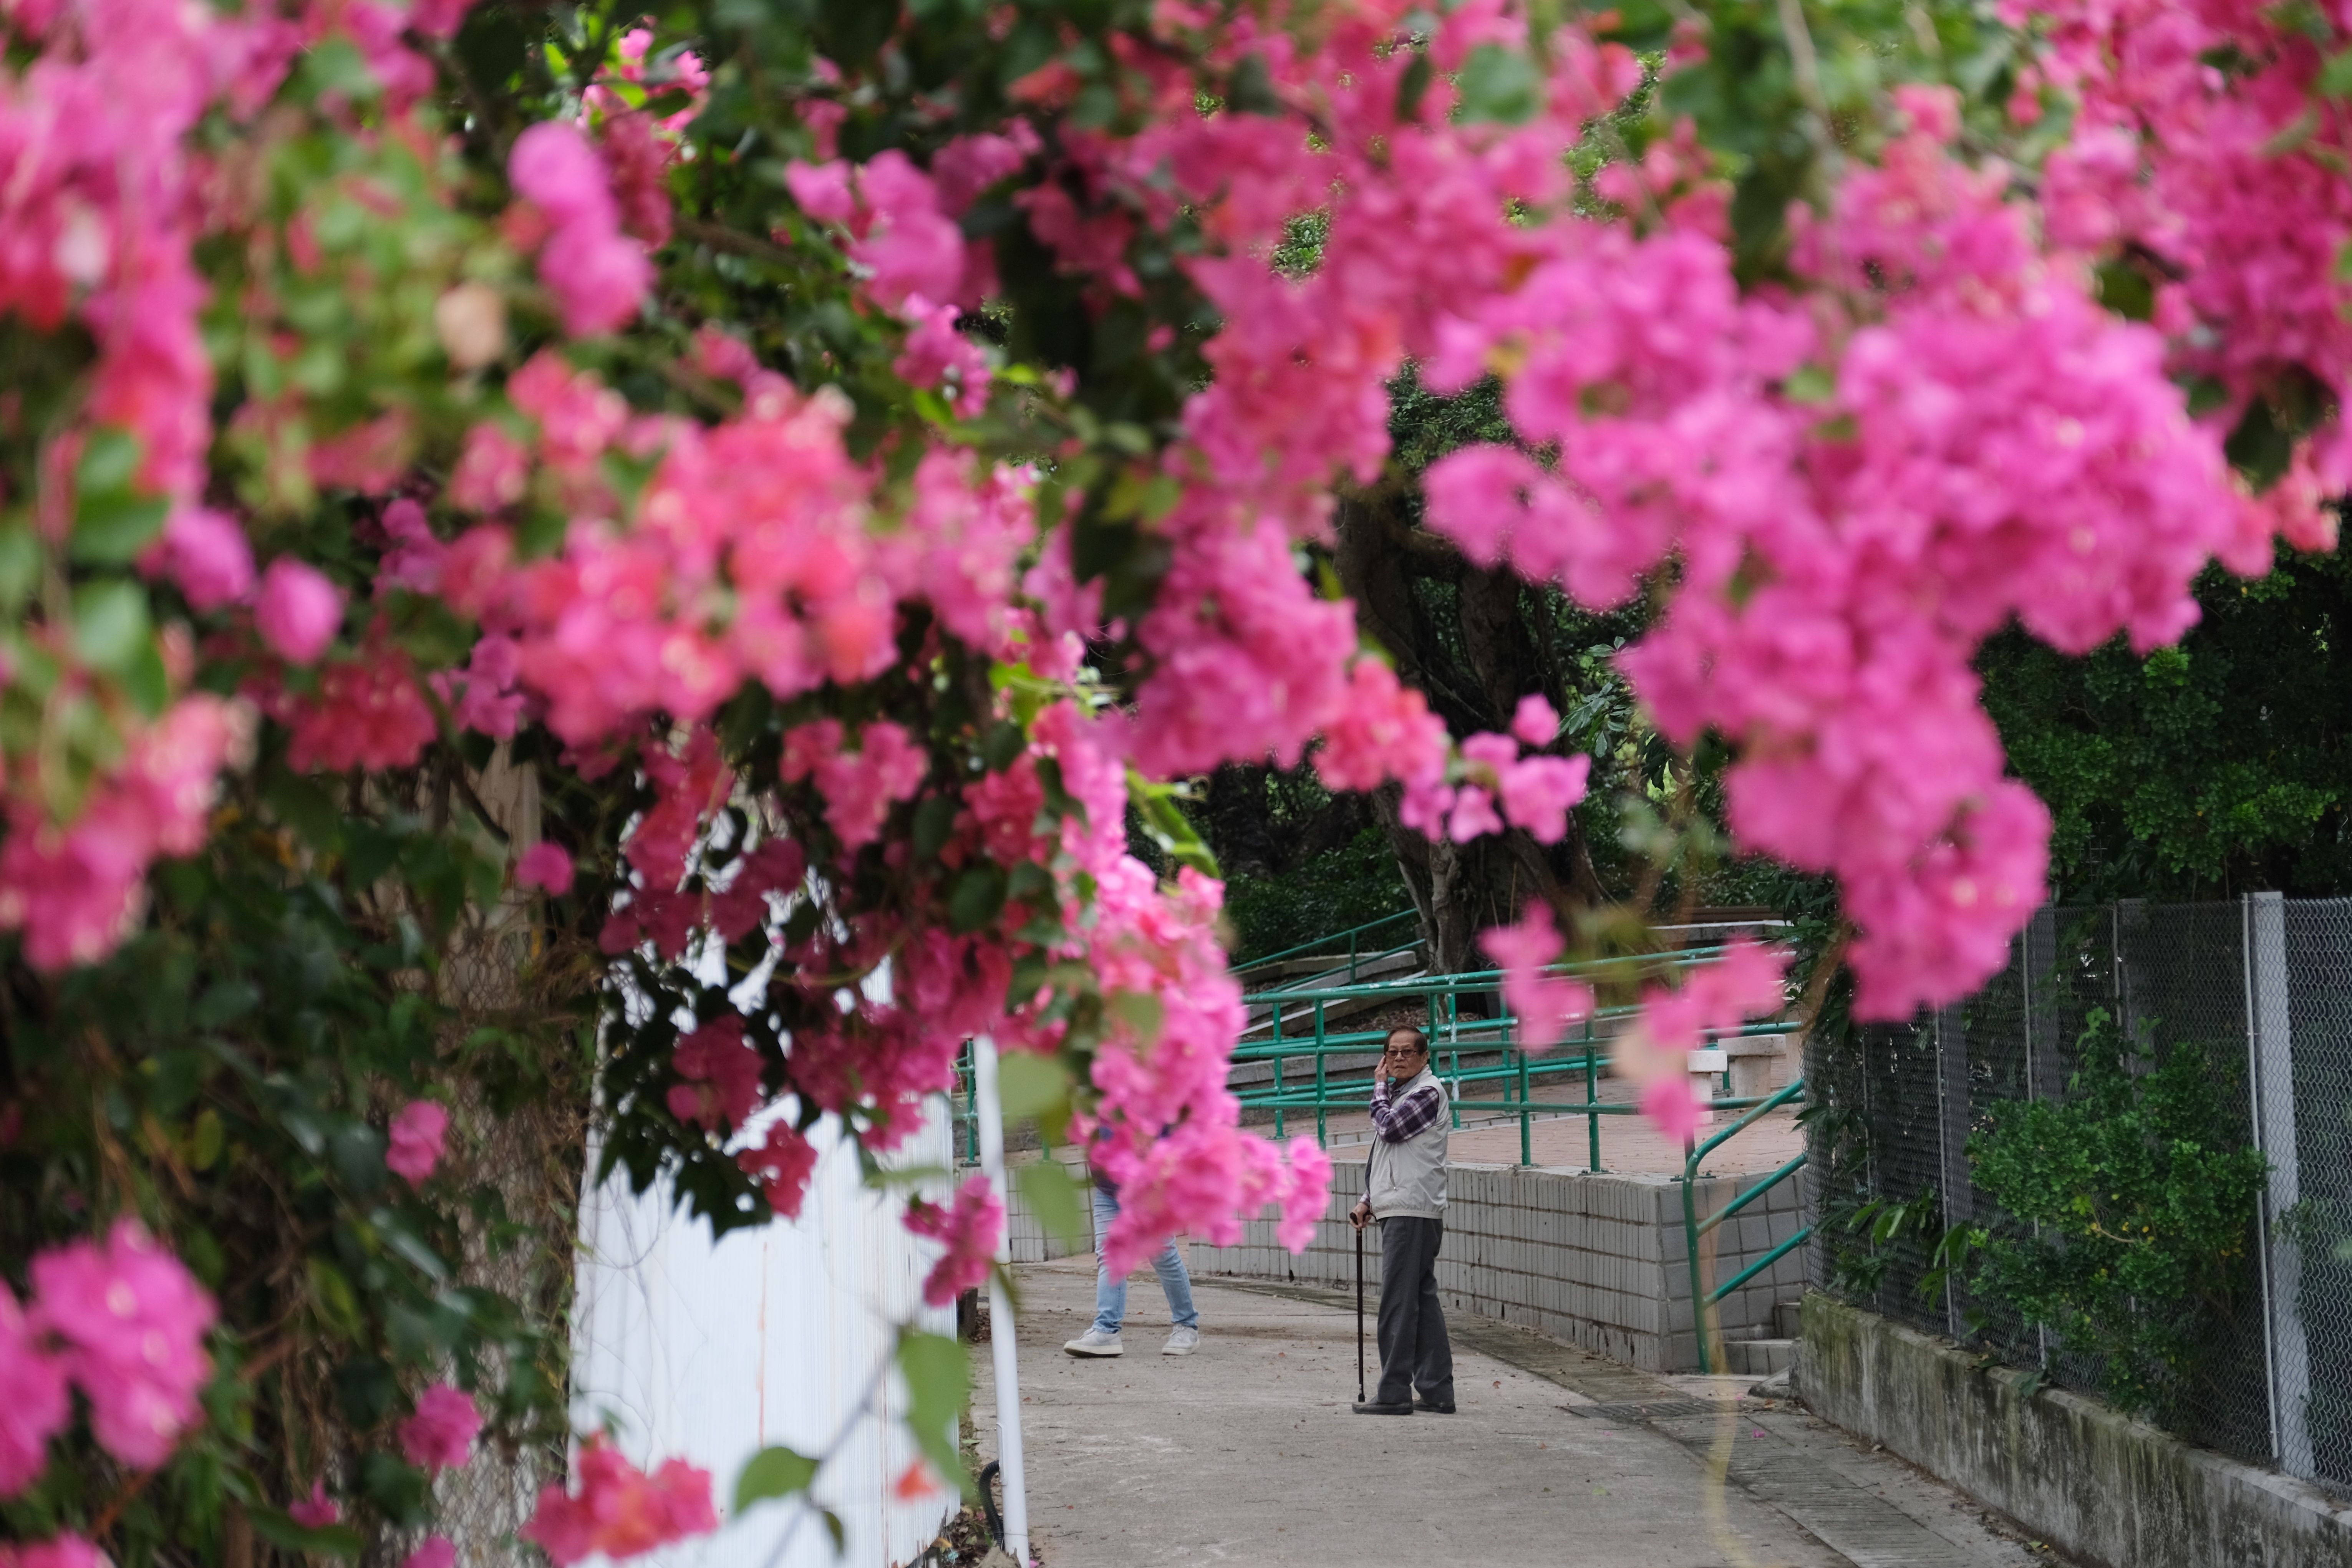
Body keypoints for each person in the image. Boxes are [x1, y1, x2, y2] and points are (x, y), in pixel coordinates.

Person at [1351, 1026, 1454, 1414]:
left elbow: (1391, 1129)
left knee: (1398, 1302)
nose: (1398, 1059)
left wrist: (1378, 1089)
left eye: (1408, 1051)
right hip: (1403, 1207)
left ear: (1425, 1056)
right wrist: (1367, 1201)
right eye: (1392, 1052)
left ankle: (1394, 1390)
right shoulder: (1402, 1095)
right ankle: (1437, 1389)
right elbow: (1391, 1158)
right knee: (1421, 1300)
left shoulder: (1427, 1092)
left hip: (1412, 1211)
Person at [1062, 1162, 1201, 1358]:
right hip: (1109, 1189)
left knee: (1162, 1255)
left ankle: (1187, 1326)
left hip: (1149, 1186)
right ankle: (1106, 1331)